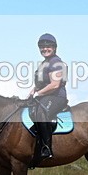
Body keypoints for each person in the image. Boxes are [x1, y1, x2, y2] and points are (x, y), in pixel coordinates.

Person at [27, 33, 68, 165]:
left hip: (56, 96)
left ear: (54, 47)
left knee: (40, 113)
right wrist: (33, 90)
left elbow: (54, 85)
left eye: (48, 46)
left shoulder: (56, 62)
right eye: (42, 47)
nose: (45, 49)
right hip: (45, 95)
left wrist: (39, 93)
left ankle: (46, 148)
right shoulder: (45, 63)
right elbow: (41, 83)